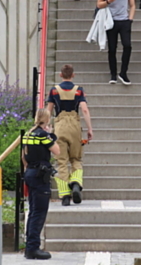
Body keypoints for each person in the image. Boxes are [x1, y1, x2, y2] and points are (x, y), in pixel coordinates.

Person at [45, 64, 94, 206]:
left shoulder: (54, 91)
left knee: (61, 161)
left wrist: (47, 127)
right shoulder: (79, 90)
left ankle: (65, 195)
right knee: (76, 159)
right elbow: (84, 109)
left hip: (60, 125)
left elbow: (48, 110)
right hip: (74, 126)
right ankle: (76, 183)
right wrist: (89, 129)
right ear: (73, 75)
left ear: (60, 75)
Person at [22, 107, 60, 260]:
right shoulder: (43, 135)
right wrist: (50, 134)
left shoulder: (28, 134)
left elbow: (24, 155)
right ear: (47, 119)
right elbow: (57, 151)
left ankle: (29, 247)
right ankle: (33, 248)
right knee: (39, 213)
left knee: (32, 211)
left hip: (30, 172)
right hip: (40, 176)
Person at [96, 0, 135, 85]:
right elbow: (98, 4)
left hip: (124, 20)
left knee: (127, 45)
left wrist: (130, 19)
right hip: (110, 21)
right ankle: (113, 74)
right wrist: (108, 1)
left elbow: (132, 5)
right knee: (112, 48)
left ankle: (123, 72)